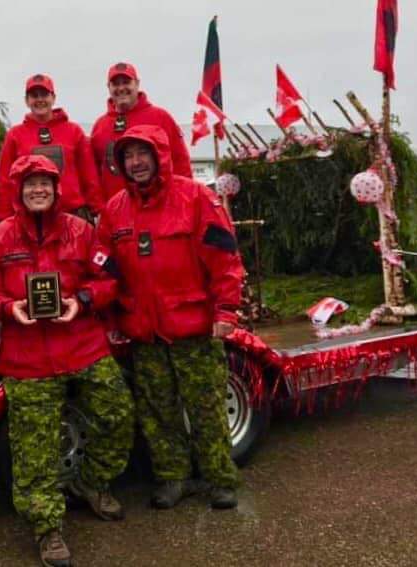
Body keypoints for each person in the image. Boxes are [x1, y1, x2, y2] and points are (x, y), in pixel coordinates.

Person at [0, 154, 134, 567]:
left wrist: (81, 301)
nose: (38, 190)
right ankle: (47, 527)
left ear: (57, 190)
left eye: (45, 183)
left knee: (119, 414)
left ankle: (92, 484)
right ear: (18, 192)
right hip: (28, 359)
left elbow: (110, 279)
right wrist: (9, 308)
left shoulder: (82, 232)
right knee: (33, 451)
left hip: (82, 345)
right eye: (30, 184)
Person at [97, 125, 243, 510]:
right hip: (145, 334)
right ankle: (173, 479)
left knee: (206, 408)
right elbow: (105, 272)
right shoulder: (114, 211)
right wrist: (111, 321)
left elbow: (224, 258)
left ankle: (220, 479)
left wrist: (226, 309)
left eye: (143, 154)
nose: (136, 162)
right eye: (128, 156)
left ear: (160, 155)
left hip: (193, 329)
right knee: (157, 412)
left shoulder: (196, 198)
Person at [0, 73, 103, 223]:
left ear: (53, 98)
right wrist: (4, 219)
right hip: (31, 219)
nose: (40, 100)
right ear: (27, 101)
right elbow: (5, 181)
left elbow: (89, 176)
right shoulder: (14, 135)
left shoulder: (74, 131)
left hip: (73, 216)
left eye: (44, 94)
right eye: (34, 95)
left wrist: (97, 210)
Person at [90, 62, 193, 201]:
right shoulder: (99, 126)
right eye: (115, 84)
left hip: (161, 206)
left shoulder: (161, 117)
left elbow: (181, 163)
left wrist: (185, 199)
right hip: (118, 213)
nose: (121, 88)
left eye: (126, 82)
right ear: (108, 87)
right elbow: (94, 175)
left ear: (137, 84)